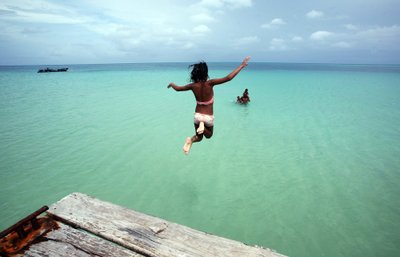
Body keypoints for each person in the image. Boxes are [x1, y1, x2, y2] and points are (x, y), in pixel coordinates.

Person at [168, 56, 251, 155]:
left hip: (197, 116)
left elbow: (178, 88)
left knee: (199, 137)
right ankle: (202, 126)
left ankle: (191, 140)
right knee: (209, 135)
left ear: (195, 73)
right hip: (208, 116)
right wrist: (241, 65)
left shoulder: (192, 86)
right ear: (206, 73)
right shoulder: (210, 83)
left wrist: (172, 84)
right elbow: (228, 78)